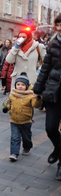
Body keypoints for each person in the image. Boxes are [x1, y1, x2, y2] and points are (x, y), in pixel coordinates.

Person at [33, 15, 61, 180]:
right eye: (57, 24)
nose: (59, 27)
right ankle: (58, 147)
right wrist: (38, 88)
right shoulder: (53, 43)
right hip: (53, 91)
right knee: (50, 128)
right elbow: (45, 67)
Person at [3, 72, 42, 162]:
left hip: (26, 121)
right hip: (14, 120)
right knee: (15, 138)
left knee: (26, 137)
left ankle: (27, 147)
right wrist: (5, 107)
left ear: (27, 86)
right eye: (18, 84)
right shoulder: (13, 94)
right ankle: (14, 153)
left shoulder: (30, 95)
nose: (20, 86)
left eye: (23, 85)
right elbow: (8, 103)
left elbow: (35, 105)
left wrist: (38, 99)